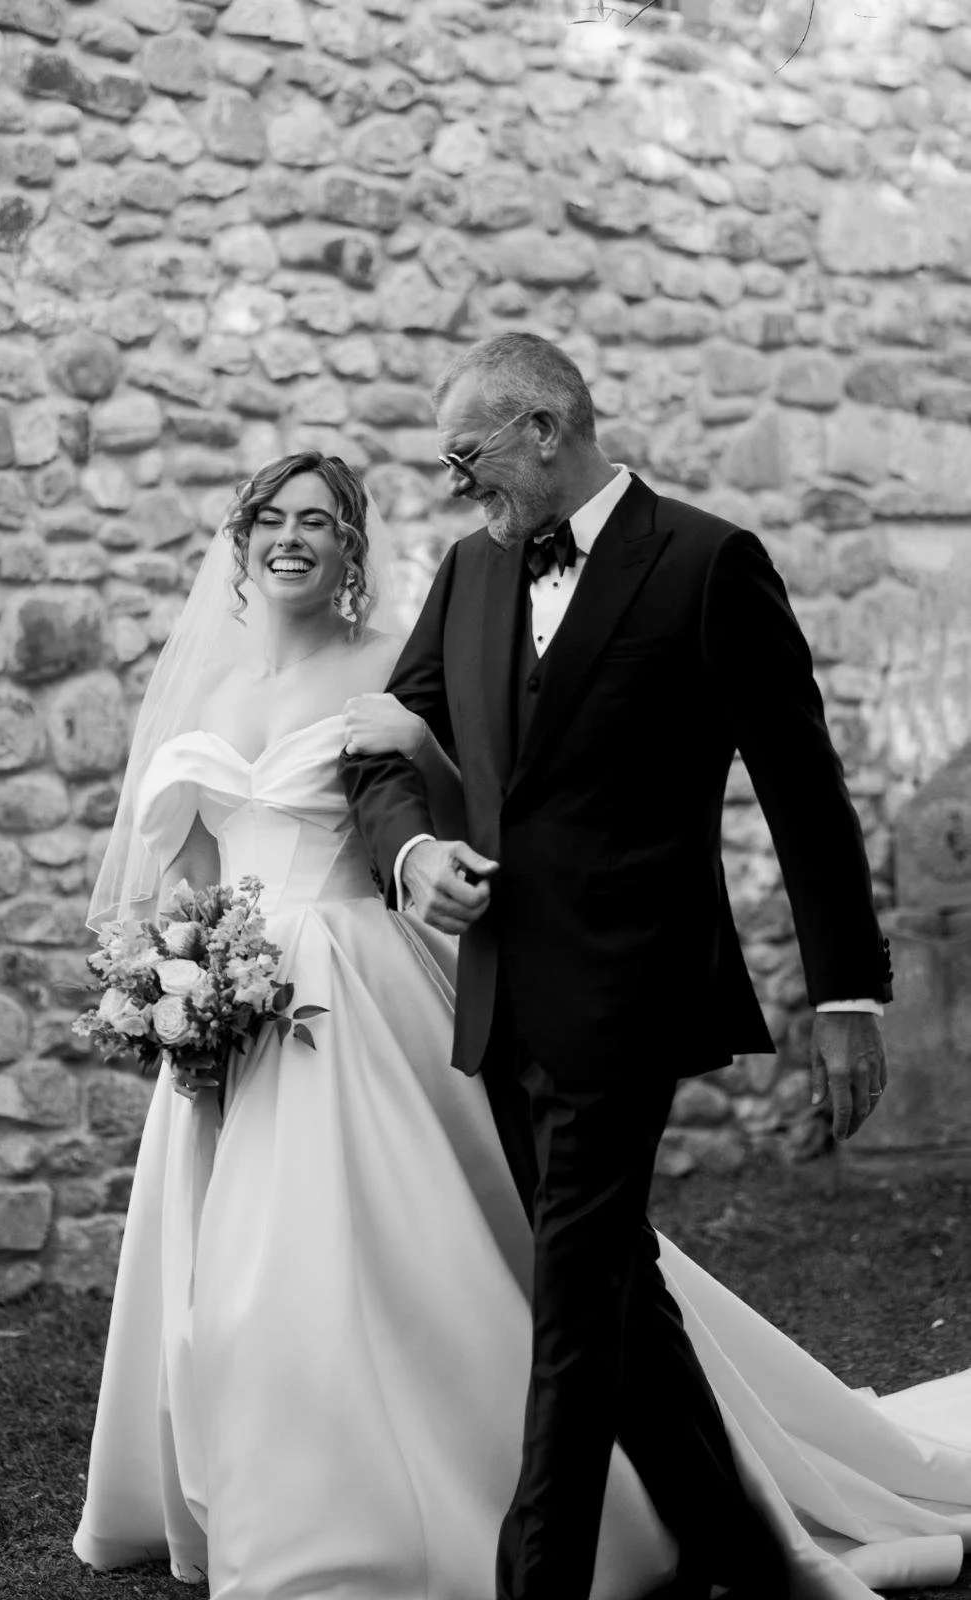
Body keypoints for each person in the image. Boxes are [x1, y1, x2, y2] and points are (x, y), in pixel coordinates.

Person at [74, 449, 971, 1600]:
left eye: (319, 519)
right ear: (238, 539)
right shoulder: (413, 599)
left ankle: (533, 1560)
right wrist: (178, 980)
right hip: (241, 1016)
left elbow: (761, 778)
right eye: (270, 518)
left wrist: (845, 992)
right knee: (275, 1283)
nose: (290, 536)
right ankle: (720, 1538)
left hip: (404, 996)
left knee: (513, 1270)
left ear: (355, 549)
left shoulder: (695, 563)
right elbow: (208, 860)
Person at [337, 332, 898, 1600]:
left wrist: (845, 994)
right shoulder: (472, 570)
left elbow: (803, 788)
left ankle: (535, 1584)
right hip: (494, 991)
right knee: (612, 1286)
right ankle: (743, 1553)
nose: (453, 483)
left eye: (466, 454)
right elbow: (380, 744)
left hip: (631, 989)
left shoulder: (706, 561)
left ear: (544, 427)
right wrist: (413, 850)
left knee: (573, 1303)